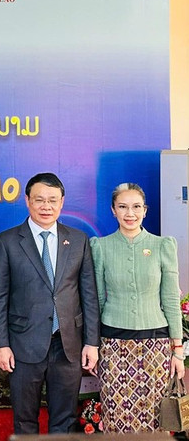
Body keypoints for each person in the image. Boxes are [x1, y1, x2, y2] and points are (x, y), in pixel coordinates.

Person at [0, 172, 100, 434]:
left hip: (68, 345)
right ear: (27, 200)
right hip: (23, 346)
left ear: (62, 202)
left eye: (52, 200)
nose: (46, 206)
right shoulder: (6, 241)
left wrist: (91, 342)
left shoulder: (78, 240)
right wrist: (1, 345)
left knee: (64, 420)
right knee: (24, 420)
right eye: (39, 200)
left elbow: (89, 295)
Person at [90, 183, 183, 432]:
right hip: (113, 345)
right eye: (123, 207)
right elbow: (96, 300)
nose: (130, 213)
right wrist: (93, 344)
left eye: (136, 207)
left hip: (156, 347)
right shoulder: (100, 247)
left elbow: (171, 300)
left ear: (145, 211)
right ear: (113, 210)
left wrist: (178, 350)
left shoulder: (163, 245)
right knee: (116, 415)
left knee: (154, 418)